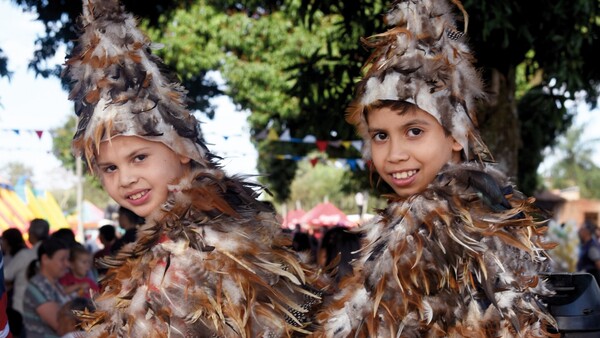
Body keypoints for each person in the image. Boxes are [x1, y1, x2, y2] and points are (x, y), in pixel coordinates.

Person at [62, 0, 326, 336]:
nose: (126, 178)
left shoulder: (204, 249)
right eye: (110, 168)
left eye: (139, 157)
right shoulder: (177, 236)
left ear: (183, 149)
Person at [313, 1, 556, 337]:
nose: (395, 154)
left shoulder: (452, 226)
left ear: (456, 134)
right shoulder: (450, 211)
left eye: (415, 131)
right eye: (380, 136)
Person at [4, 219, 50, 330]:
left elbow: (6, 275)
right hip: (46, 310)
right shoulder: (52, 253)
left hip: (23, 310)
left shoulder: (25, 254)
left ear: (32, 233)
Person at [22, 237, 72, 338]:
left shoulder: (55, 284)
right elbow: (62, 326)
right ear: (45, 259)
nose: (67, 264)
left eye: (67, 259)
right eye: (62, 259)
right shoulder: (37, 287)